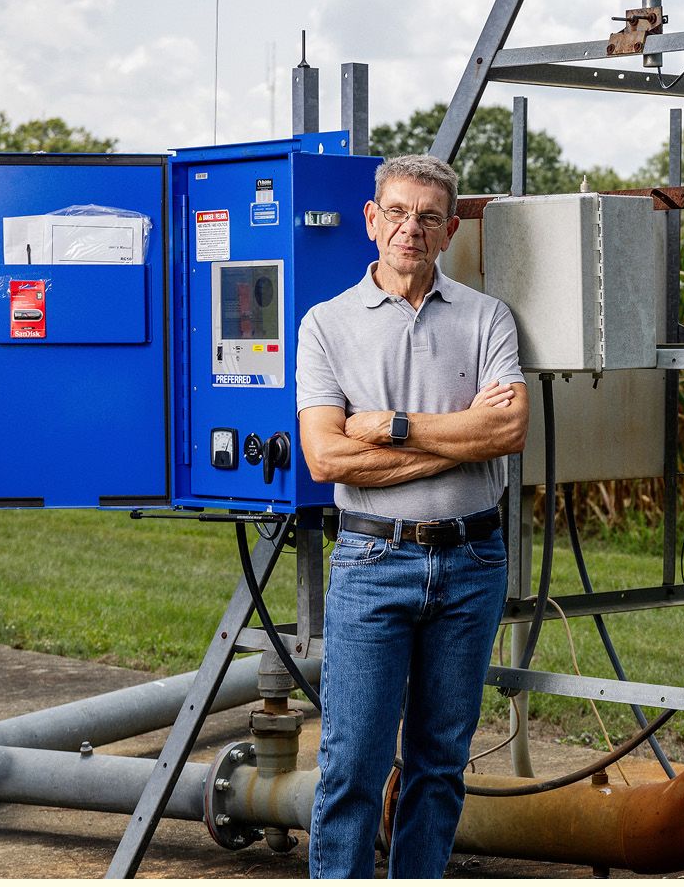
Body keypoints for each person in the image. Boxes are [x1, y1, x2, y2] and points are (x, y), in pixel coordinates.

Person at [296, 154, 529, 879]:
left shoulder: (487, 317)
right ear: (371, 220)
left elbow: (509, 431)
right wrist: (460, 439)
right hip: (373, 562)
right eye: (397, 212)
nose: (411, 228)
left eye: (429, 216)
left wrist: (393, 426)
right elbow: (327, 459)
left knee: (440, 763)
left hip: (472, 563)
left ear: (450, 229)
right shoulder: (325, 325)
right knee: (353, 764)